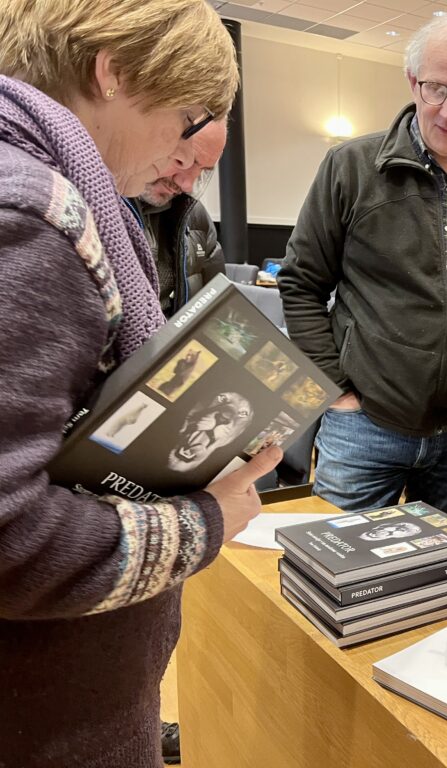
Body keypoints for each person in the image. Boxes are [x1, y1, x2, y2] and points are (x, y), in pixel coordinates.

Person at [0, 2, 283, 767]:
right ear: (113, 70)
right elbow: (9, 536)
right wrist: (208, 518)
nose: (183, 155)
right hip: (44, 716)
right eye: (189, 118)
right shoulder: (31, 214)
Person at [279, 14, 447, 522]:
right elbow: (300, 283)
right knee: (336, 577)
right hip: (363, 425)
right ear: (412, 82)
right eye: (435, 89)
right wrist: (337, 392)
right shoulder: (351, 167)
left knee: (441, 587)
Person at [128, 117, 227, 317]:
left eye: (202, 171)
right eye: (182, 162)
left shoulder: (196, 218)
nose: (187, 185)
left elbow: (217, 316)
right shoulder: (91, 210)